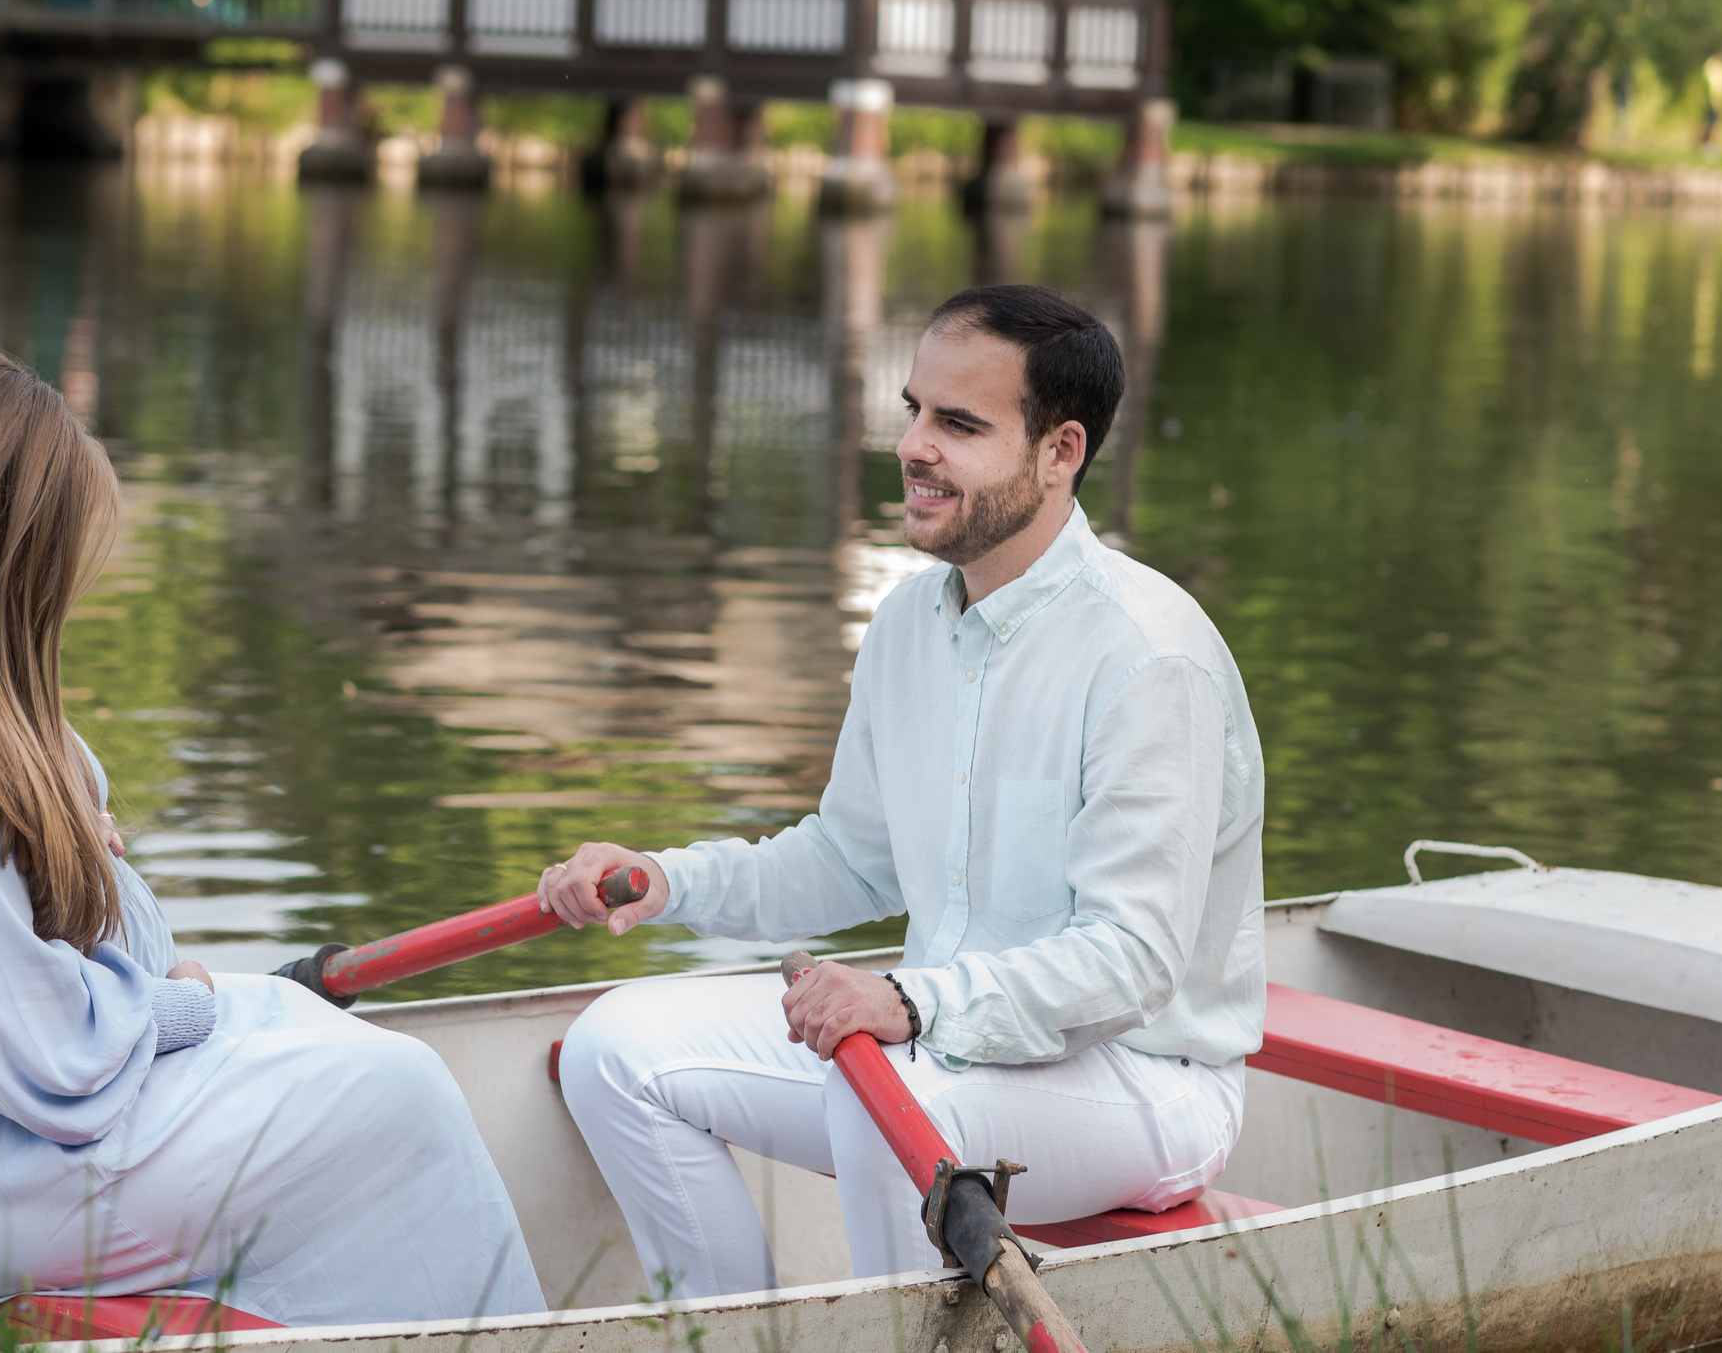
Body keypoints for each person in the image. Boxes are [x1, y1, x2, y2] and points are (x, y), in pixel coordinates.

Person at [0, 346, 543, 1327]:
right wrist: (179, 1005)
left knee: (306, 1030)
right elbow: (30, 1050)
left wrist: (54, 815)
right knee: (398, 1095)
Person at [539, 285, 1264, 1300]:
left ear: (1060, 452)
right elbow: (848, 857)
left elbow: (1130, 961)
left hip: (1143, 1082)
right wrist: (663, 879)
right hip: (936, 1047)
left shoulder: (1149, 657)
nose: (914, 446)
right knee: (612, 1050)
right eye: (914, 409)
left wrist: (912, 998)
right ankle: (737, 1331)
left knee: (885, 1097)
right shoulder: (909, 620)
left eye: (959, 424)